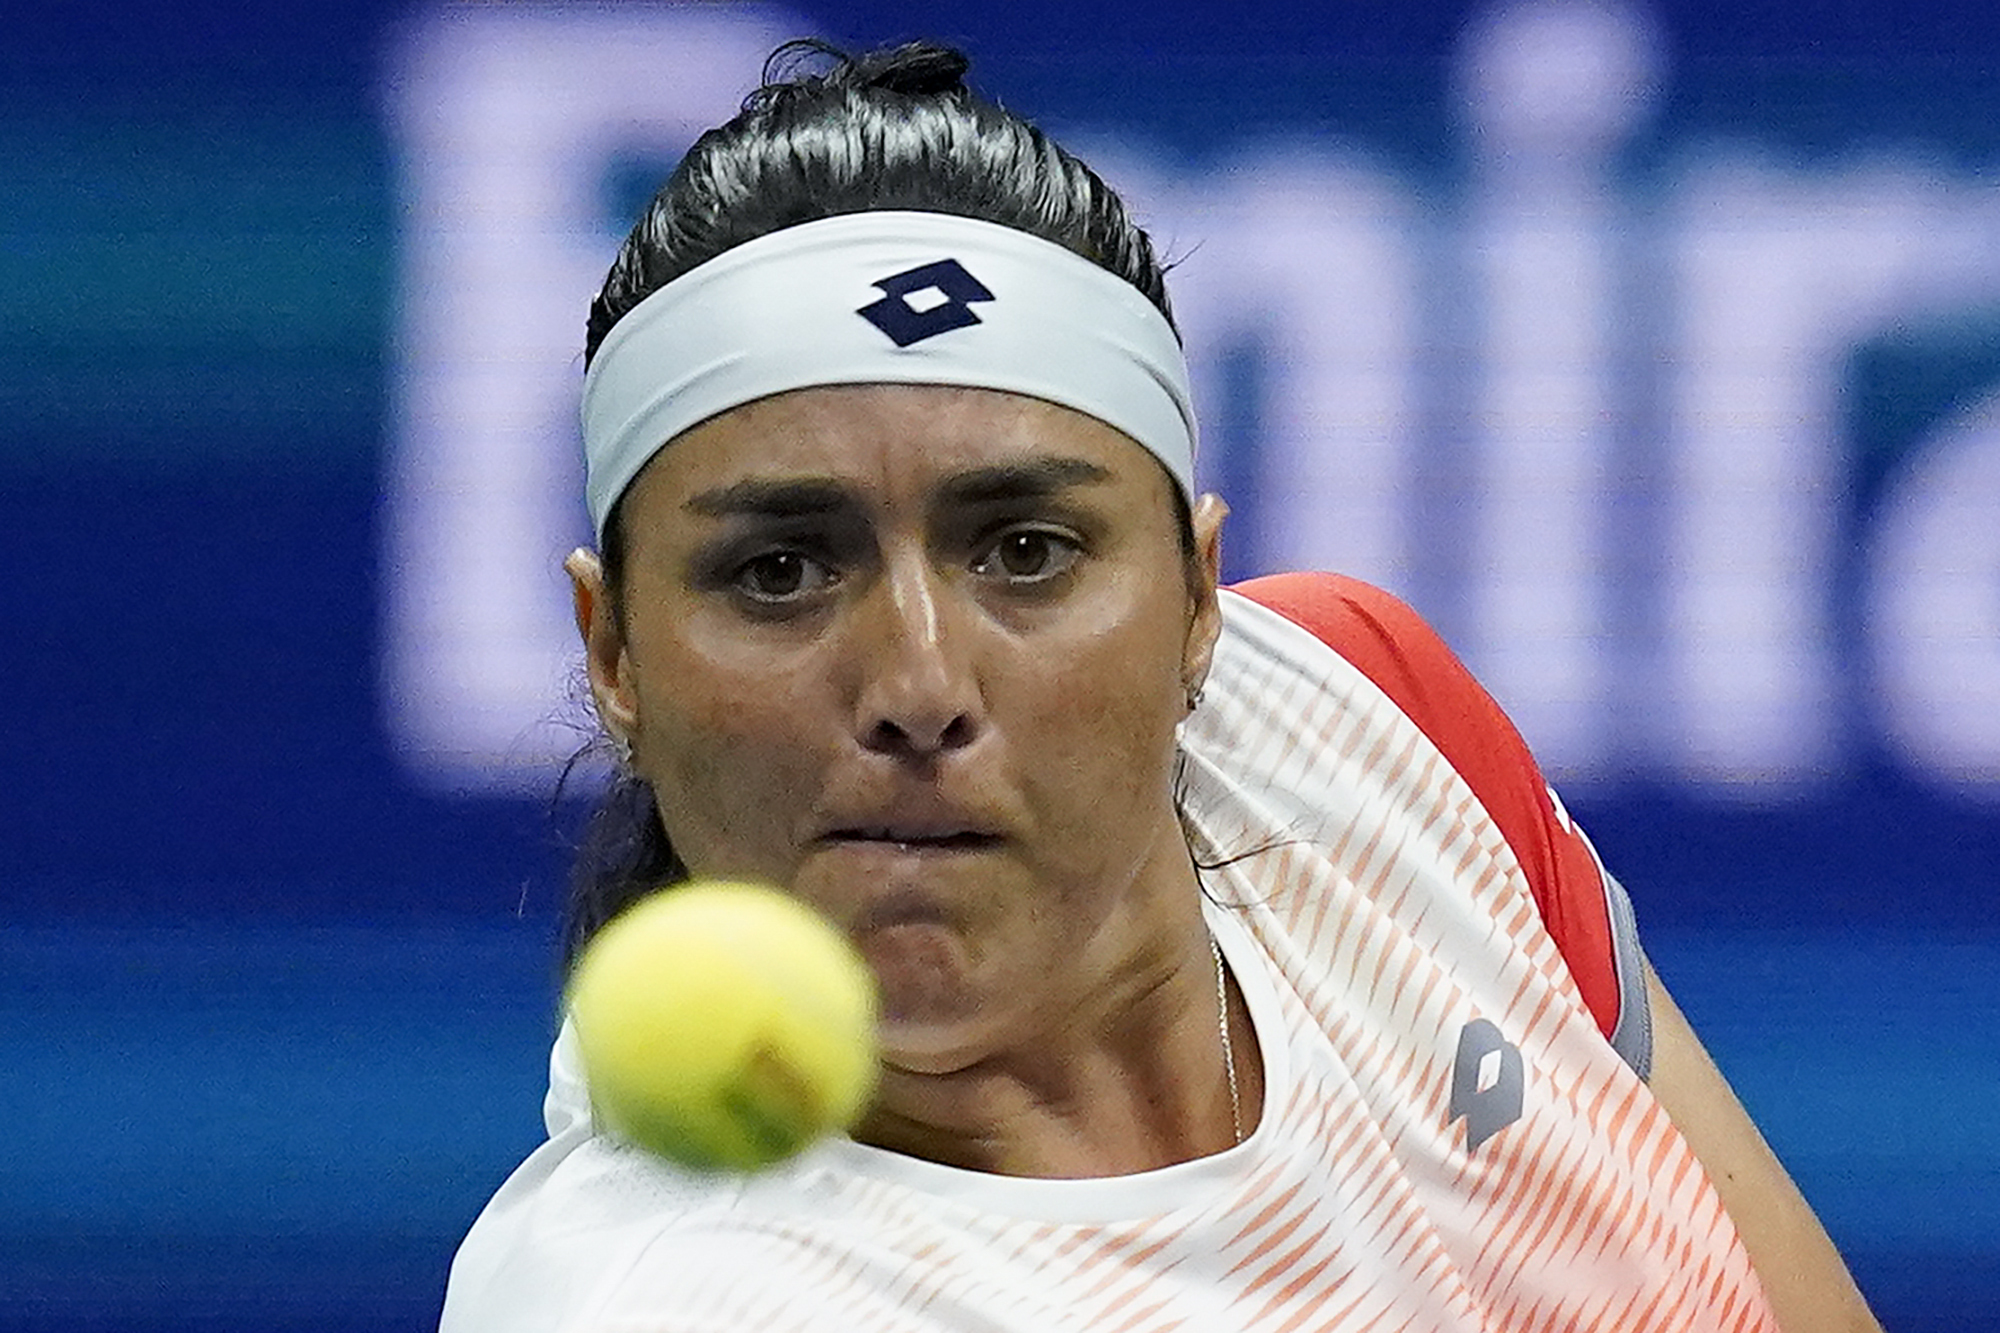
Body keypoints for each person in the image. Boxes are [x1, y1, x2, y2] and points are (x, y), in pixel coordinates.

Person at [440, 40, 1879, 1333]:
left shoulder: (1361, 717)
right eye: (779, 572)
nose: (919, 682)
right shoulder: (661, 1304)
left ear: (1200, 599)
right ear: (613, 649)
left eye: (1025, 547)